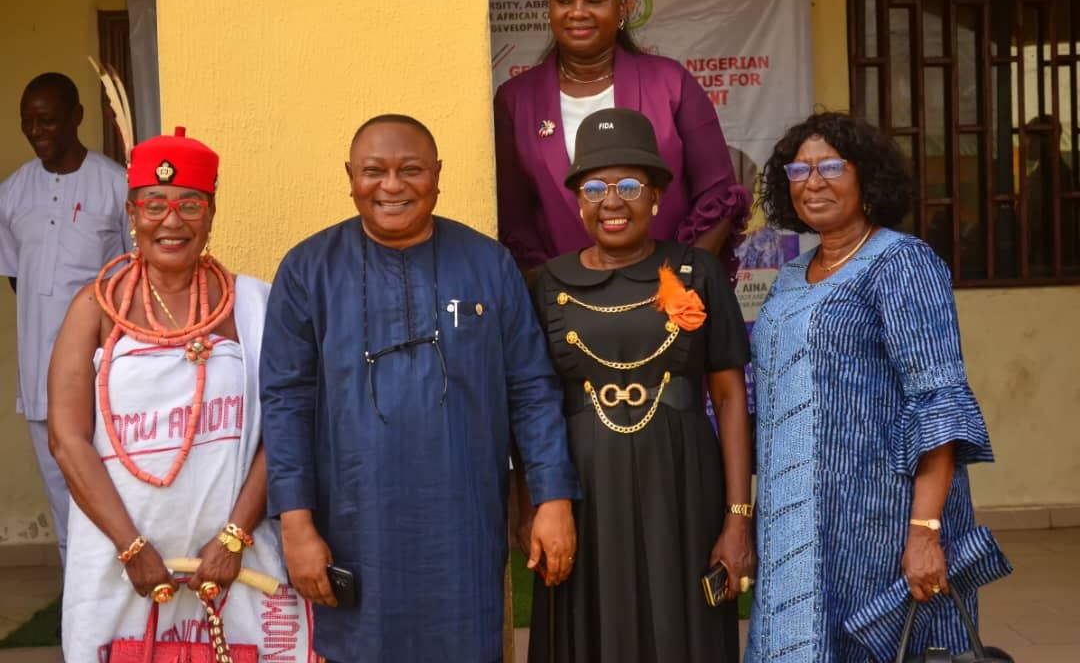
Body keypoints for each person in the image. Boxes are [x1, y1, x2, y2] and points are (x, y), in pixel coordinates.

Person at [259, 114, 580, 663]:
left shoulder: (488, 265)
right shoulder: (308, 270)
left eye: (410, 170)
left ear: (436, 175)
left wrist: (551, 500)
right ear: (349, 177)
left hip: (463, 524)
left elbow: (531, 390)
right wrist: (296, 522)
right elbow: (286, 402)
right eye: (373, 171)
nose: (391, 185)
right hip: (353, 526)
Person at [48, 128, 314, 660]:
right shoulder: (94, 309)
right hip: (116, 560)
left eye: (190, 204)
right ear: (132, 212)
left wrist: (234, 537)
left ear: (212, 213)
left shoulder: (254, 306)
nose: (171, 221)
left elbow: (286, 427)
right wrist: (131, 547)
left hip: (240, 559)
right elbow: (66, 439)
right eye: (155, 205)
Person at [747, 112, 998, 661]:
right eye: (799, 169)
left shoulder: (901, 263)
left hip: (879, 527)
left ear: (867, 178)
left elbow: (938, 402)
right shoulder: (793, 275)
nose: (813, 182)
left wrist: (925, 530)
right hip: (795, 525)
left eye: (831, 167)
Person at [527, 108, 755, 663]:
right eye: (596, 187)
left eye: (630, 185)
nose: (612, 201)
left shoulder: (698, 272)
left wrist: (737, 518)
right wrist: (534, 502)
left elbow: (729, 399)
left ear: (656, 197)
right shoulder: (546, 283)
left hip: (683, 480)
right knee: (589, 628)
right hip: (583, 485)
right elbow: (533, 404)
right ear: (577, 199)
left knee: (682, 628)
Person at [494, 0, 750, 280]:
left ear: (623, 8)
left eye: (595, 0)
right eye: (564, 0)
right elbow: (515, 221)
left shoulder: (671, 83)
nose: (578, 11)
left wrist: (682, 282)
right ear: (549, 9)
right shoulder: (516, 99)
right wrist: (552, 293)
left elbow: (718, 196)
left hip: (669, 297)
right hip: (566, 305)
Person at [0, 72, 130, 565]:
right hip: (41, 376)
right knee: (61, 493)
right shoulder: (10, 194)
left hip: (108, 373)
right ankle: (78, 610)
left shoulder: (115, 185)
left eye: (48, 120)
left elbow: (128, 279)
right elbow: (19, 277)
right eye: (28, 122)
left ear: (76, 116)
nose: (37, 131)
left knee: (114, 487)